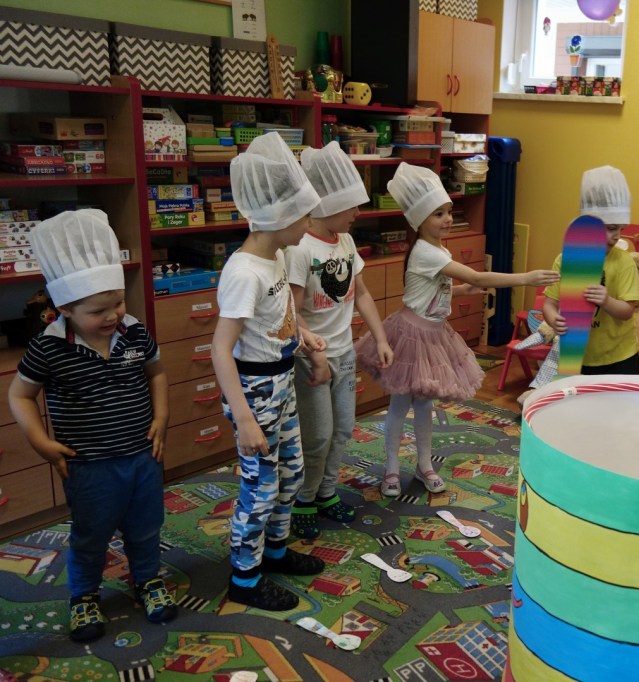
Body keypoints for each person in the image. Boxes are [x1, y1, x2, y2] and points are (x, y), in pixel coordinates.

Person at [7, 210, 176, 642]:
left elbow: (156, 373)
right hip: (89, 465)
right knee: (91, 534)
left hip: (142, 456)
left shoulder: (134, 332)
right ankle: (84, 594)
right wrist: (41, 442)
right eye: (98, 310)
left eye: (118, 303)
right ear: (64, 308)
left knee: (145, 525)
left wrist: (161, 417)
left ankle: (147, 579)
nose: (113, 315)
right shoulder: (49, 347)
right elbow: (20, 395)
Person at [355, 163, 558, 497]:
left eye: (449, 211)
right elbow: (476, 275)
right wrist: (525, 278)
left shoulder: (438, 250)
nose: (448, 218)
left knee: (424, 405)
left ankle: (424, 464)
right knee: (400, 405)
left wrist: (459, 291)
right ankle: (391, 468)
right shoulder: (424, 251)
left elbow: (436, 288)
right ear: (419, 220)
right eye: (438, 214)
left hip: (434, 334)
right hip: (412, 337)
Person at [214, 132, 327, 611]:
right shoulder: (244, 272)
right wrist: (243, 418)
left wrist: (303, 336)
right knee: (259, 487)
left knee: (291, 473)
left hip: (281, 380)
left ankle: (275, 552)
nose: (309, 224)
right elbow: (221, 349)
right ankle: (244, 578)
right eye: (304, 216)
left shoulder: (277, 256)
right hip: (254, 390)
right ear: (278, 217)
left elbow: (277, 317)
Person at [285, 142, 393, 539]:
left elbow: (361, 293)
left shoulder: (345, 242)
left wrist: (380, 338)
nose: (357, 213)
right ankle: (304, 498)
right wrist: (312, 348)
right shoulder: (300, 249)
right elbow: (292, 311)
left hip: (344, 353)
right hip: (312, 358)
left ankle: (326, 492)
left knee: (343, 428)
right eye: (352, 206)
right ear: (325, 206)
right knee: (317, 435)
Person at [542, 166, 639, 375]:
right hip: (579, 356)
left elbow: (627, 311)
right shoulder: (565, 260)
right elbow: (550, 304)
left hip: (620, 357)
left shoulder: (624, 262)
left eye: (621, 229)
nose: (617, 236)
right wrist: (553, 320)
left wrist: (607, 301)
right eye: (611, 228)